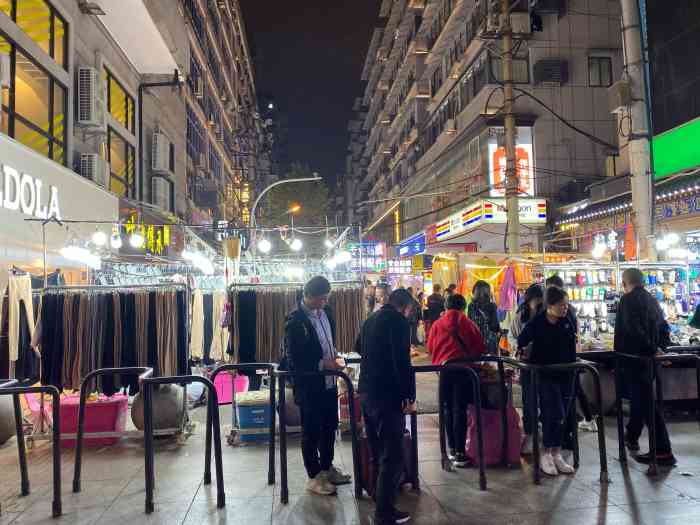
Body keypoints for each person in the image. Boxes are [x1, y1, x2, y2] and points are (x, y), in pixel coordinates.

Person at [284, 276, 351, 496]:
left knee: (329, 427)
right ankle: (313, 476)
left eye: (326, 298)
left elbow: (327, 342)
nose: (324, 302)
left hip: (329, 383)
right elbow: (294, 359)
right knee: (311, 431)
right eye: (322, 299)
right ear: (309, 296)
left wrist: (335, 357)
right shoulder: (295, 321)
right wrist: (323, 363)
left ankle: (327, 467)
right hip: (310, 386)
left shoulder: (326, 313)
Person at [359, 289, 417, 525]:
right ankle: (384, 512)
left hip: (366, 392)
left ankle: (377, 498)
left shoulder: (370, 319)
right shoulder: (399, 322)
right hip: (387, 396)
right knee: (391, 456)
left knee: (376, 451)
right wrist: (407, 395)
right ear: (405, 307)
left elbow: (357, 347)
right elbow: (401, 361)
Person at [615, 268, 676, 466]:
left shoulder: (627, 300)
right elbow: (664, 328)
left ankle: (663, 451)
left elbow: (633, 329)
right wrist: (660, 349)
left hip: (636, 359)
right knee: (641, 400)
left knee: (647, 403)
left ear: (625, 283)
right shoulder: (652, 300)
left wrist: (652, 349)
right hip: (649, 361)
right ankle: (632, 435)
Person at [517, 286, 577, 476]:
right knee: (553, 413)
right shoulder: (536, 324)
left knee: (561, 416)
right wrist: (525, 351)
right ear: (549, 306)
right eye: (561, 305)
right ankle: (546, 453)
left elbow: (571, 347)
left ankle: (556, 452)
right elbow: (521, 342)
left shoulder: (567, 322)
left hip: (565, 374)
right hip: (544, 375)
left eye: (566, 305)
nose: (565, 309)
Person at [428, 293, 486, 466]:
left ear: (446, 306)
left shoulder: (437, 324)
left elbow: (430, 347)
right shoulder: (468, 323)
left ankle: (451, 449)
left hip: (444, 371)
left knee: (446, 408)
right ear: (463, 307)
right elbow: (479, 348)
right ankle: (461, 453)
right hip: (464, 372)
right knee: (459, 408)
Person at [545, 275, 597, 434]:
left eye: (548, 288)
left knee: (571, 390)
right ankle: (586, 419)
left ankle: (574, 424)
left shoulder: (563, 310)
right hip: (569, 356)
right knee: (575, 389)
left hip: (565, 358)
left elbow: (569, 334)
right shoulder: (569, 308)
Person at [508, 283, 544, 454]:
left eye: (541, 299)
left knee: (544, 399)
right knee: (529, 399)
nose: (538, 303)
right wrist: (519, 347)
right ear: (528, 300)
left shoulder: (547, 315)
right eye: (535, 299)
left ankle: (542, 429)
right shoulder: (521, 316)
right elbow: (512, 336)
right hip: (527, 365)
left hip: (545, 365)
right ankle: (530, 432)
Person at [467, 280, 500, 354]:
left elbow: (469, 324)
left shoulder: (471, 306)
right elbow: (495, 326)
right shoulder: (492, 306)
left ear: (474, 292)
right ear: (487, 292)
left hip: (474, 342)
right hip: (489, 343)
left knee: (477, 364)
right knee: (491, 364)